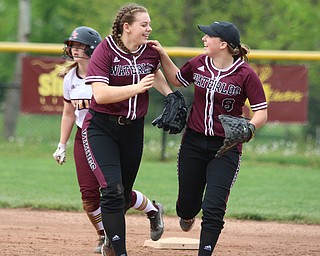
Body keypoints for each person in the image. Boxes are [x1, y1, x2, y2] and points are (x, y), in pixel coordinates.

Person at [149, 21, 268, 255]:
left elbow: (261, 111)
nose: (204, 39)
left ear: (223, 44)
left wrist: (250, 128)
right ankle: (186, 214)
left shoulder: (245, 74)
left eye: (208, 36)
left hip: (226, 147)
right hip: (193, 142)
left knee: (214, 206)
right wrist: (162, 53)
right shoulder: (199, 63)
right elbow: (176, 80)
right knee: (186, 204)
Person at [53, 25, 165, 255]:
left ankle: (152, 210)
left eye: (80, 46)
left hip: (107, 132)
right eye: (72, 45)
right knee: (88, 195)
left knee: (115, 189)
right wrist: (61, 144)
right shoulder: (70, 78)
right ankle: (104, 235)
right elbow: (67, 113)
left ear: (93, 47)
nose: (75, 50)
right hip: (82, 135)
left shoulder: (107, 71)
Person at [82, 4, 173, 256]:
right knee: (112, 191)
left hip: (133, 131)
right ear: (127, 27)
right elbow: (100, 95)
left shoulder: (148, 52)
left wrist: (171, 96)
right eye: (144, 24)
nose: (149, 29)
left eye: (149, 24)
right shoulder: (105, 50)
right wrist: (136, 88)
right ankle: (119, 251)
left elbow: (161, 77)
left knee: (121, 195)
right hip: (101, 128)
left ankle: (113, 239)